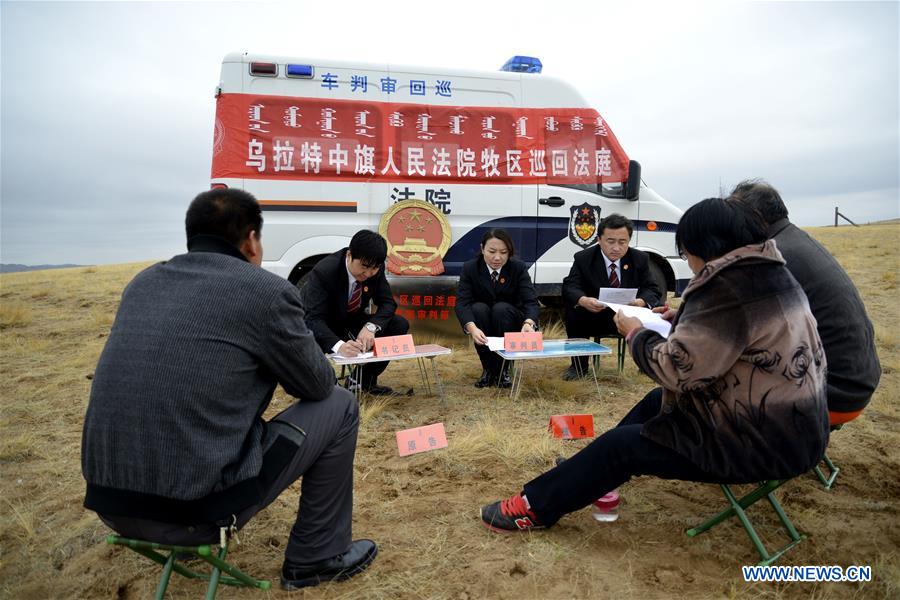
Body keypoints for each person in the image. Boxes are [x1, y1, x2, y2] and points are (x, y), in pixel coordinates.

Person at [81, 189, 376, 590]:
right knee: (340, 405)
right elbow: (316, 384)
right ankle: (317, 556)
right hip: (194, 514)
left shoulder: (143, 283)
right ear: (252, 241)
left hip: (111, 505)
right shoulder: (265, 292)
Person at [479, 197, 829, 534]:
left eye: (686, 254)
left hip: (756, 442)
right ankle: (588, 475)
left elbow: (676, 372)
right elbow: (741, 335)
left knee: (622, 447)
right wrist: (684, 318)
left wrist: (636, 333)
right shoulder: (769, 273)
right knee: (653, 403)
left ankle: (534, 507)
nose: (689, 264)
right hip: (797, 429)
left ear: (704, 247)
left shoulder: (726, 288)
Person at [728, 180, 881, 425]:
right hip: (854, 383)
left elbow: (738, 330)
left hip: (830, 394)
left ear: (754, 216)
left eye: (733, 216)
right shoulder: (793, 239)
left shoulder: (774, 255)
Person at [299, 230, 409, 395]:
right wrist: (339, 346)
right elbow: (312, 319)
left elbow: (387, 303)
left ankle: (361, 381)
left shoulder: (375, 270)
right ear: (349, 255)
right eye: (364, 267)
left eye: (374, 268)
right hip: (322, 325)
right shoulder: (324, 271)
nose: (368, 273)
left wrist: (371, 327)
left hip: (350, 320)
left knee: (399, 324)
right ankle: (330, 389)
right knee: (309, 339)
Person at [561, 213, 662, 380]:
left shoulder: (640, 259)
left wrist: (641, 301)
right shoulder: (584, 258)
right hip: (596, 315)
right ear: (599, 240)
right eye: (610, 241)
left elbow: (652, 289)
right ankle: (578, 367)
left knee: (657, 311)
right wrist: (584, 300)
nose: (616, 248)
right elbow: (570, 286)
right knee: (574, 312)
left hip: (628, 315)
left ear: (629, 241)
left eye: (622, 242)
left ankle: (647, 363)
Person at [455, 229, 540, 388]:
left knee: (501, 309)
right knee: (478, 309)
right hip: (483, 320)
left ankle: (503, 370)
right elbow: (462, 303)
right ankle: (488, 369)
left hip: (509, 318)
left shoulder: (518, 267)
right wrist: (472, 328)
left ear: (510, 252)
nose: (497, 257)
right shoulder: (470, 268)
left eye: (503, 252)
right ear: (482, 249)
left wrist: (528, 323)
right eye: (492, 251)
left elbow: (531, 301)